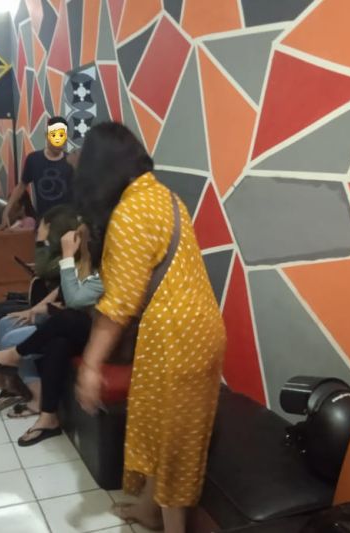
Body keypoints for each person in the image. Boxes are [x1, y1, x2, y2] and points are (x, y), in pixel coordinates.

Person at [74, 123, 226, 533]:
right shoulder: (165, 198)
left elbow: (118, 305)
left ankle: (169, 526)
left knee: (173, 444)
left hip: (174, 338)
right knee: (168, 432)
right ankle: (148, 510)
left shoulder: (130, 213)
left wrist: (91, 365)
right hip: (202, 330)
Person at [0, 224, 103, 446]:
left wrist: (66, 256)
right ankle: (48, 417)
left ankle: (15, 356)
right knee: (58, 342)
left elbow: (74, 300)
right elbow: (63, 292)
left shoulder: (109, 267)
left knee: (67, 319)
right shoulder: (84, 263)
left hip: (106, 334)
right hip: (83, 327)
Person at [0, 116, 73, 226]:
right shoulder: (33, 159)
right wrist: (6, 211)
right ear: (47, 136)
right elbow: (21, 186)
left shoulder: (71, 161)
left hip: (66, 223)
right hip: (42, 221)